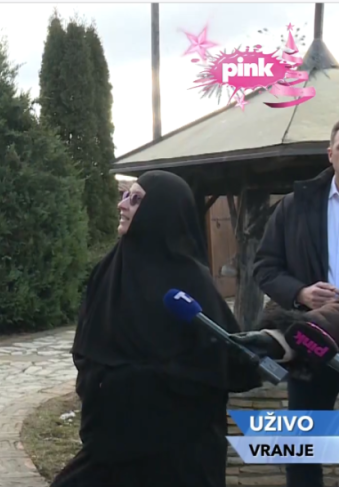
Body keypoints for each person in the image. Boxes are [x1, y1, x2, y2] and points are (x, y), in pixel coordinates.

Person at [50, 170, 263, 487]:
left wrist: (144, 382)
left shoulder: (191, 282)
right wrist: (104, 385)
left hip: (181, 451)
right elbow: (86, 349)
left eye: (136, 199)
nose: (122, 204)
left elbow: (219, 366)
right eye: (126, 196)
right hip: (114, 442)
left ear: (162, 211)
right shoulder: (109, 272)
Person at [253, 120, 339, 487]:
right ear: (330, 154)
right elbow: (264, 267)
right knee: (303, 448)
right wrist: (301, 292)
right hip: (310, 338)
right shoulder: (295, 206)